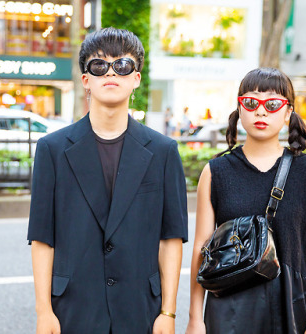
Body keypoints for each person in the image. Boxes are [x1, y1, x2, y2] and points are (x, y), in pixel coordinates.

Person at [28, 27, 188, 334]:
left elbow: (171, 238)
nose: (111, 72)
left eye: (123, 65)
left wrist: (168, 312)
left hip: (142, 309)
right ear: (86, 80)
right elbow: (41, 238)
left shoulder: (164, 151)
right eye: (99, 65)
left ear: (136, 79)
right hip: (72, 310)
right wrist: (43, 311)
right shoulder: (52, 149)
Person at [186, 68, 306, 334]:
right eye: (251, 103)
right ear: (240, 109)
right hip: (227, 304)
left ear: (288, 112)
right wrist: (195, 318)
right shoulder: (216, 172)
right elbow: (201, 248)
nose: (261, 111)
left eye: (273, 104)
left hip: (292, 303)